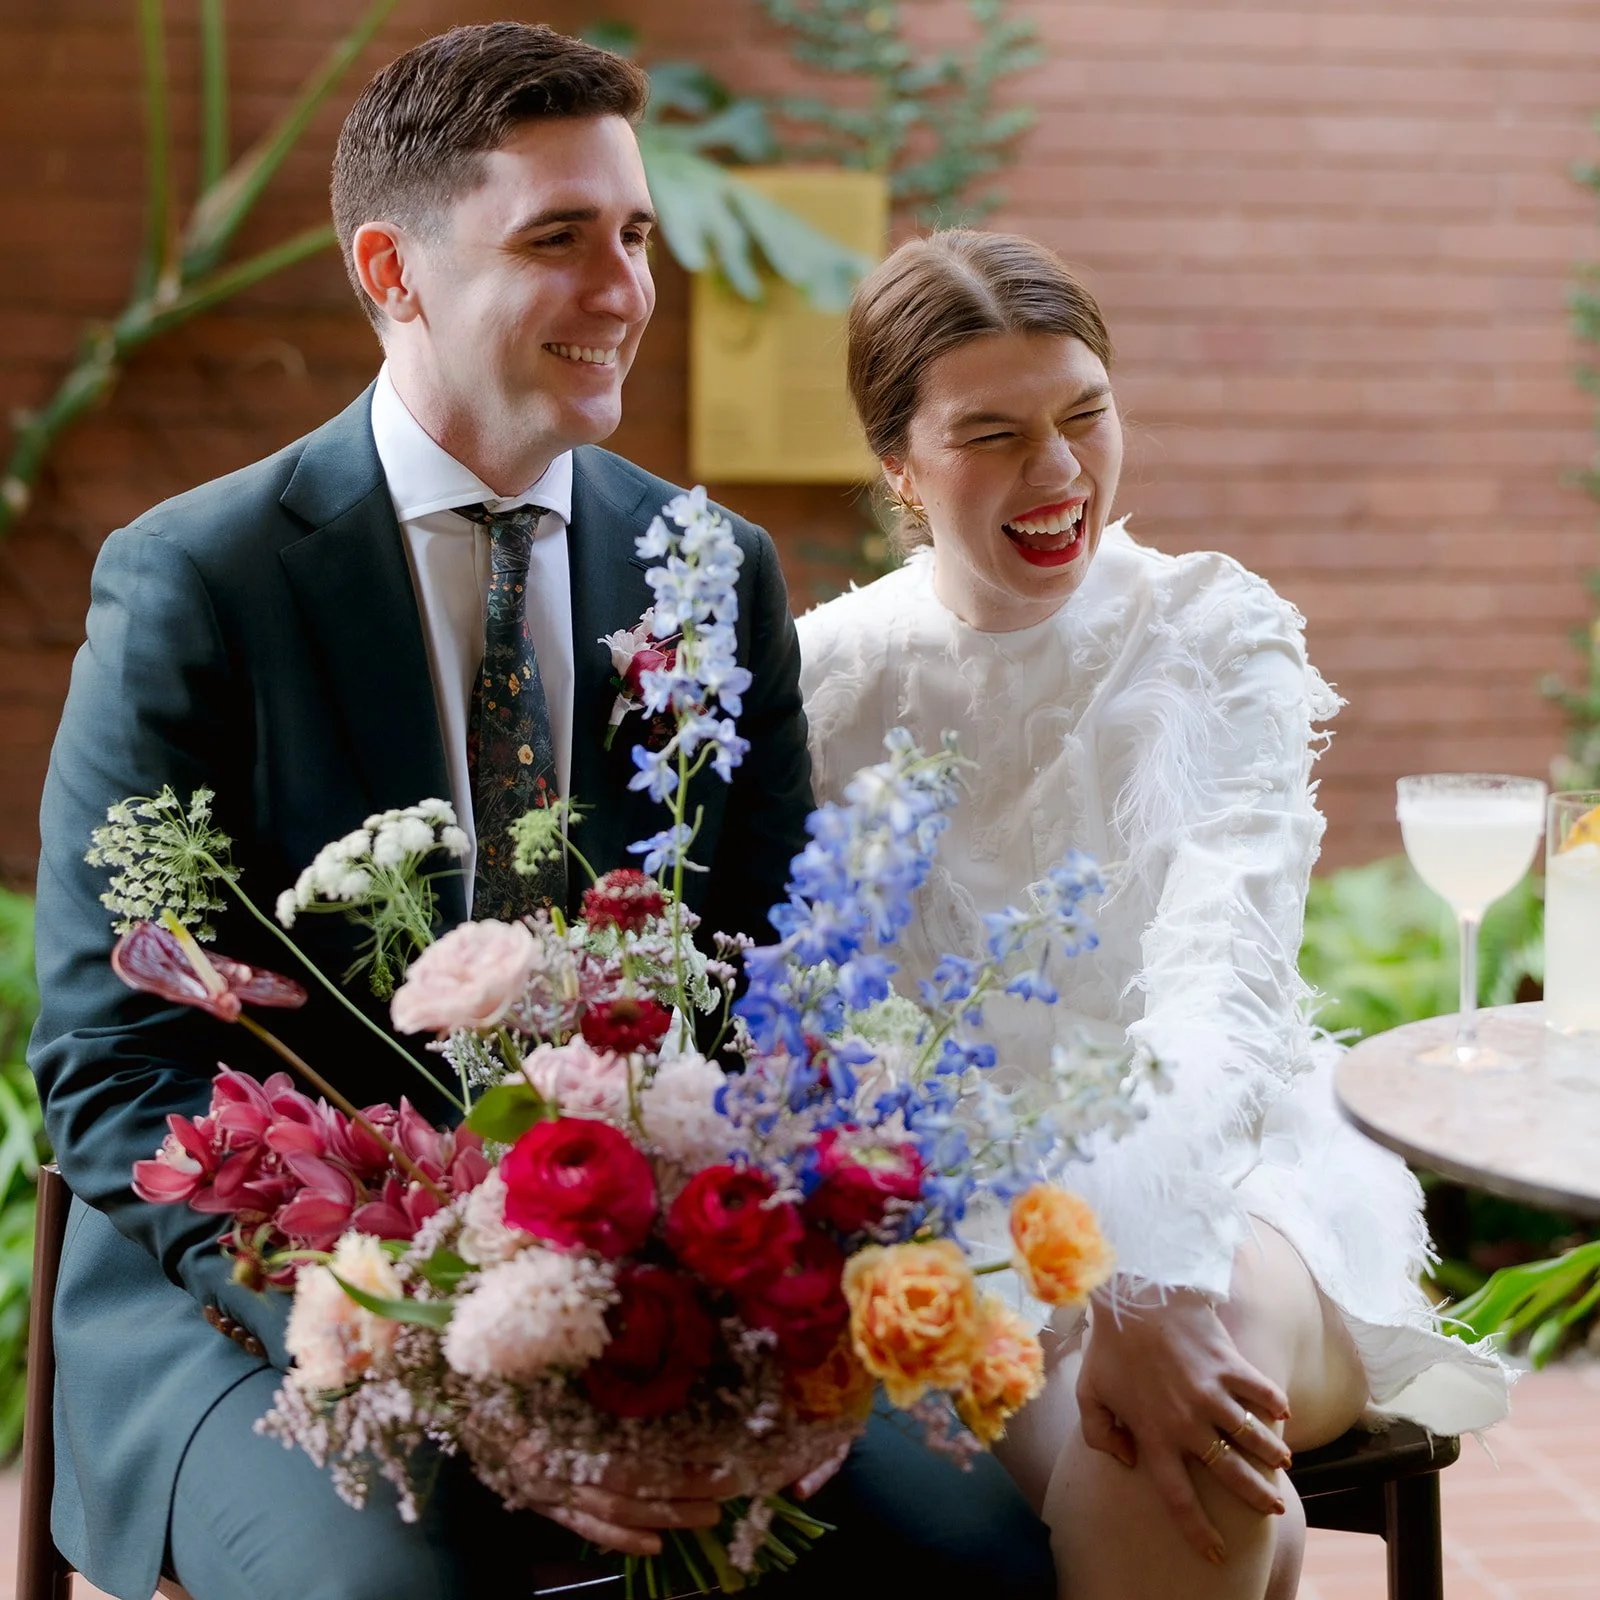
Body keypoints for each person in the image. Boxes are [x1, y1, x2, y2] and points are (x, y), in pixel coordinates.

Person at [29, 25, 1051, 1600]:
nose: (625, 288)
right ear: (395, 268)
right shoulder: (199, 583)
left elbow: (762, 998)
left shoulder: (709, 571)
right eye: (558, 239)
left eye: (634, 235)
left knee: (973, 1552)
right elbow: (113, 1066)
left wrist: (713, 1280)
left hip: (656, 1286)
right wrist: (418, 1315)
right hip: (267, 1321)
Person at [796, 229, 1511, 1600]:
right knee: (1192, 1501)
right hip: (957, 1217)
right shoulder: (826, 678)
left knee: (1194, 1399)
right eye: (991, 435)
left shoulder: (1210, 630)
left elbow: (1220, 984)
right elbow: (830, 1024)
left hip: (1231, 1194)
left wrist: (1149, 1276)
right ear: (900, 465)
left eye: (1084, 414)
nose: (1058, 473)